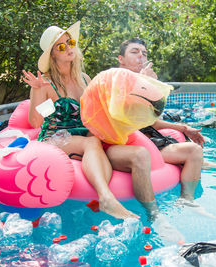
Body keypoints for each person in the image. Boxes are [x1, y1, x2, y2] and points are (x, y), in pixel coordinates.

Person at [22, 21, 138, 220]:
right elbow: (35, 122)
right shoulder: (46, 83)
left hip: (83, 136)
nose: (68, 48)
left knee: (95, 141)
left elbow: (98, 110)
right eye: (61, 46)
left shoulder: (84, 78)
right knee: (92, 142)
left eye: (70, 42)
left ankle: (102, 200)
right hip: (55, 137)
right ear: (52, 55)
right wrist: (37, 90)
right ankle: (106, 198)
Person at [118, 38, 216, 201]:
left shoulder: (139, 82)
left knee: (184, 136)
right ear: (121, 59)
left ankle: (200, 166)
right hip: (130, 142)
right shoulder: (115, 81)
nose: (141, 56)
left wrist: (183, 128)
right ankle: (187, 200)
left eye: (144, 53)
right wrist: (145, 81)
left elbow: (151, 119)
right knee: (193, 151)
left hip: (145, 135)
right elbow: (127, 117)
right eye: (134, 52)